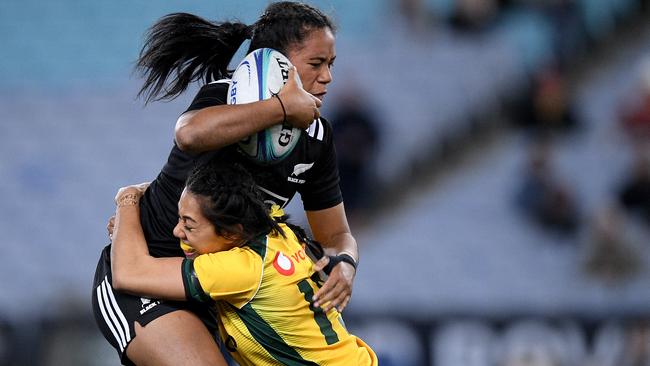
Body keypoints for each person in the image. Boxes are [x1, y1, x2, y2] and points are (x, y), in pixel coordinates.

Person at [92, 2, 359, 365]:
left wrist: (345, 262)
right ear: (276, 63)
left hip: (220, 293)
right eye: (316, 64)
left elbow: (335, 236)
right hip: (145, 274)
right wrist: (280, 107)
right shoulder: (228, 95)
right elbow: (189, 134)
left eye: (331, 65)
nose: (327, 76)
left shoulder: (316, 137)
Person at [110, 161, 378, 365]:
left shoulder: (240, 268)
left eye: (188, 225)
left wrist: (128, 199)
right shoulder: (276, 227)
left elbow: (129, 272)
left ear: (231, 234)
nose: (176, 232)